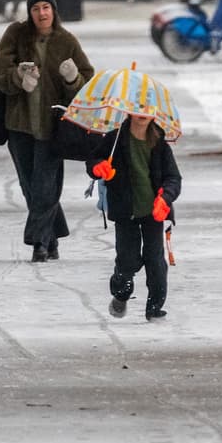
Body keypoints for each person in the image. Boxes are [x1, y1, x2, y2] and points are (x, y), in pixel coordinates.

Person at [0, 0, 95, 262]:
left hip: (53, 128)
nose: (41, 13)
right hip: (19, 127)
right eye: (36, 8)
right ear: (30, 12)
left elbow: (86, 80)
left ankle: (39, 242)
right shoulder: (16, 35)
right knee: (30, 186)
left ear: (54, 10)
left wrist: (73, 78)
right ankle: (52, 237)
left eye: (46, 8)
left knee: (45, 187)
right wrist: (18, 78)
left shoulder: (66, 41)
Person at [86, 114, 181, 321]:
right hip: (124, 210)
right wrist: (98, 167)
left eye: (147, 109)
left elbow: (173, 178)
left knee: (155, 259)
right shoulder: (114, 139)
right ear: (128, 110)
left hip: (153, 211)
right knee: (127, 259)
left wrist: (165, 198)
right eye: (137, 108)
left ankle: (155, 307)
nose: (142, 114)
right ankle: (121, 292)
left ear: (154, 113)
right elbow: (93, 160)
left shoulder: (160, 144)